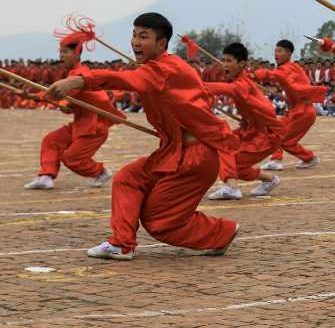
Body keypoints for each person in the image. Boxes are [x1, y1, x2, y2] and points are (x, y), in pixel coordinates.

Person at [46, 13, 239, 260]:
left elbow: (124, 79)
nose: (136, 42)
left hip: (194, 159)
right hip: (173, 151)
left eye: (144, 37)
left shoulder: (162, 70)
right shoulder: (160, 68)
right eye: (134, 35)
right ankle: (122, 244)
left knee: (159, 222)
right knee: (128, 178)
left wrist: (78, 81)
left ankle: (221, 232)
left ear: (161, 43)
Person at [25, 25, 122, 190]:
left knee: (71, 159)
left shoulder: (80, 73)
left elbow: (69, 92)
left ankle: (101, 172)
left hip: (93, 128)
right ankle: (46, 176)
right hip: (80, 123)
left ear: (77, 54)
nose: (61, 56)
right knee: (51, 141)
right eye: (60, 52)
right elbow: (68, 97)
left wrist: (43, 98)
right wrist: (64, 104)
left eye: (65, 52)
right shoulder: (69, 74)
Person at [204, 43, 286, 200]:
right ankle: (270, 180)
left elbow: (229, 90)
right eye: (224, 60)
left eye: (229, 61)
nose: (225, 65)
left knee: (226, 151)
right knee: (231, 164)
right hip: (251, 130)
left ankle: (232, 188)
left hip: (267, 135)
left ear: (242, 63)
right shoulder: (241, 80)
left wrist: (197, 86)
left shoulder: (242, 84)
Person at [254, 40, 324, 171]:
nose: (276, 54)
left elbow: (274, 75)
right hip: (296, 109)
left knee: (286, 141)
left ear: (289, 53)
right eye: (275, 50)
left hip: (303, 112)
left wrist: (256, 74)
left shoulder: (289, 68)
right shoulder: (288, 68)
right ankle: (276, 160)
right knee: (275, 131)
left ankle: (309, 158)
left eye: (279, 51)